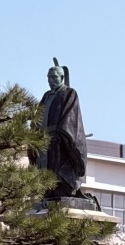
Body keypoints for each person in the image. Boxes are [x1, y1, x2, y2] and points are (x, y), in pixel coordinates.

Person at [37, 58, 89, 199]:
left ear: (62, 77)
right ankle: (48, 191)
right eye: (48, 77)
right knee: (44, 169)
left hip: (59, 140)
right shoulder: (47, 96)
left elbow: (70, 118)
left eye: (54, 77)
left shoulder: (69, 93)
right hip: (44, 142)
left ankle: (62, 189)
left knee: (59, 170)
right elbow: (38, 117)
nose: (50, 80)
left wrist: (60, 132)